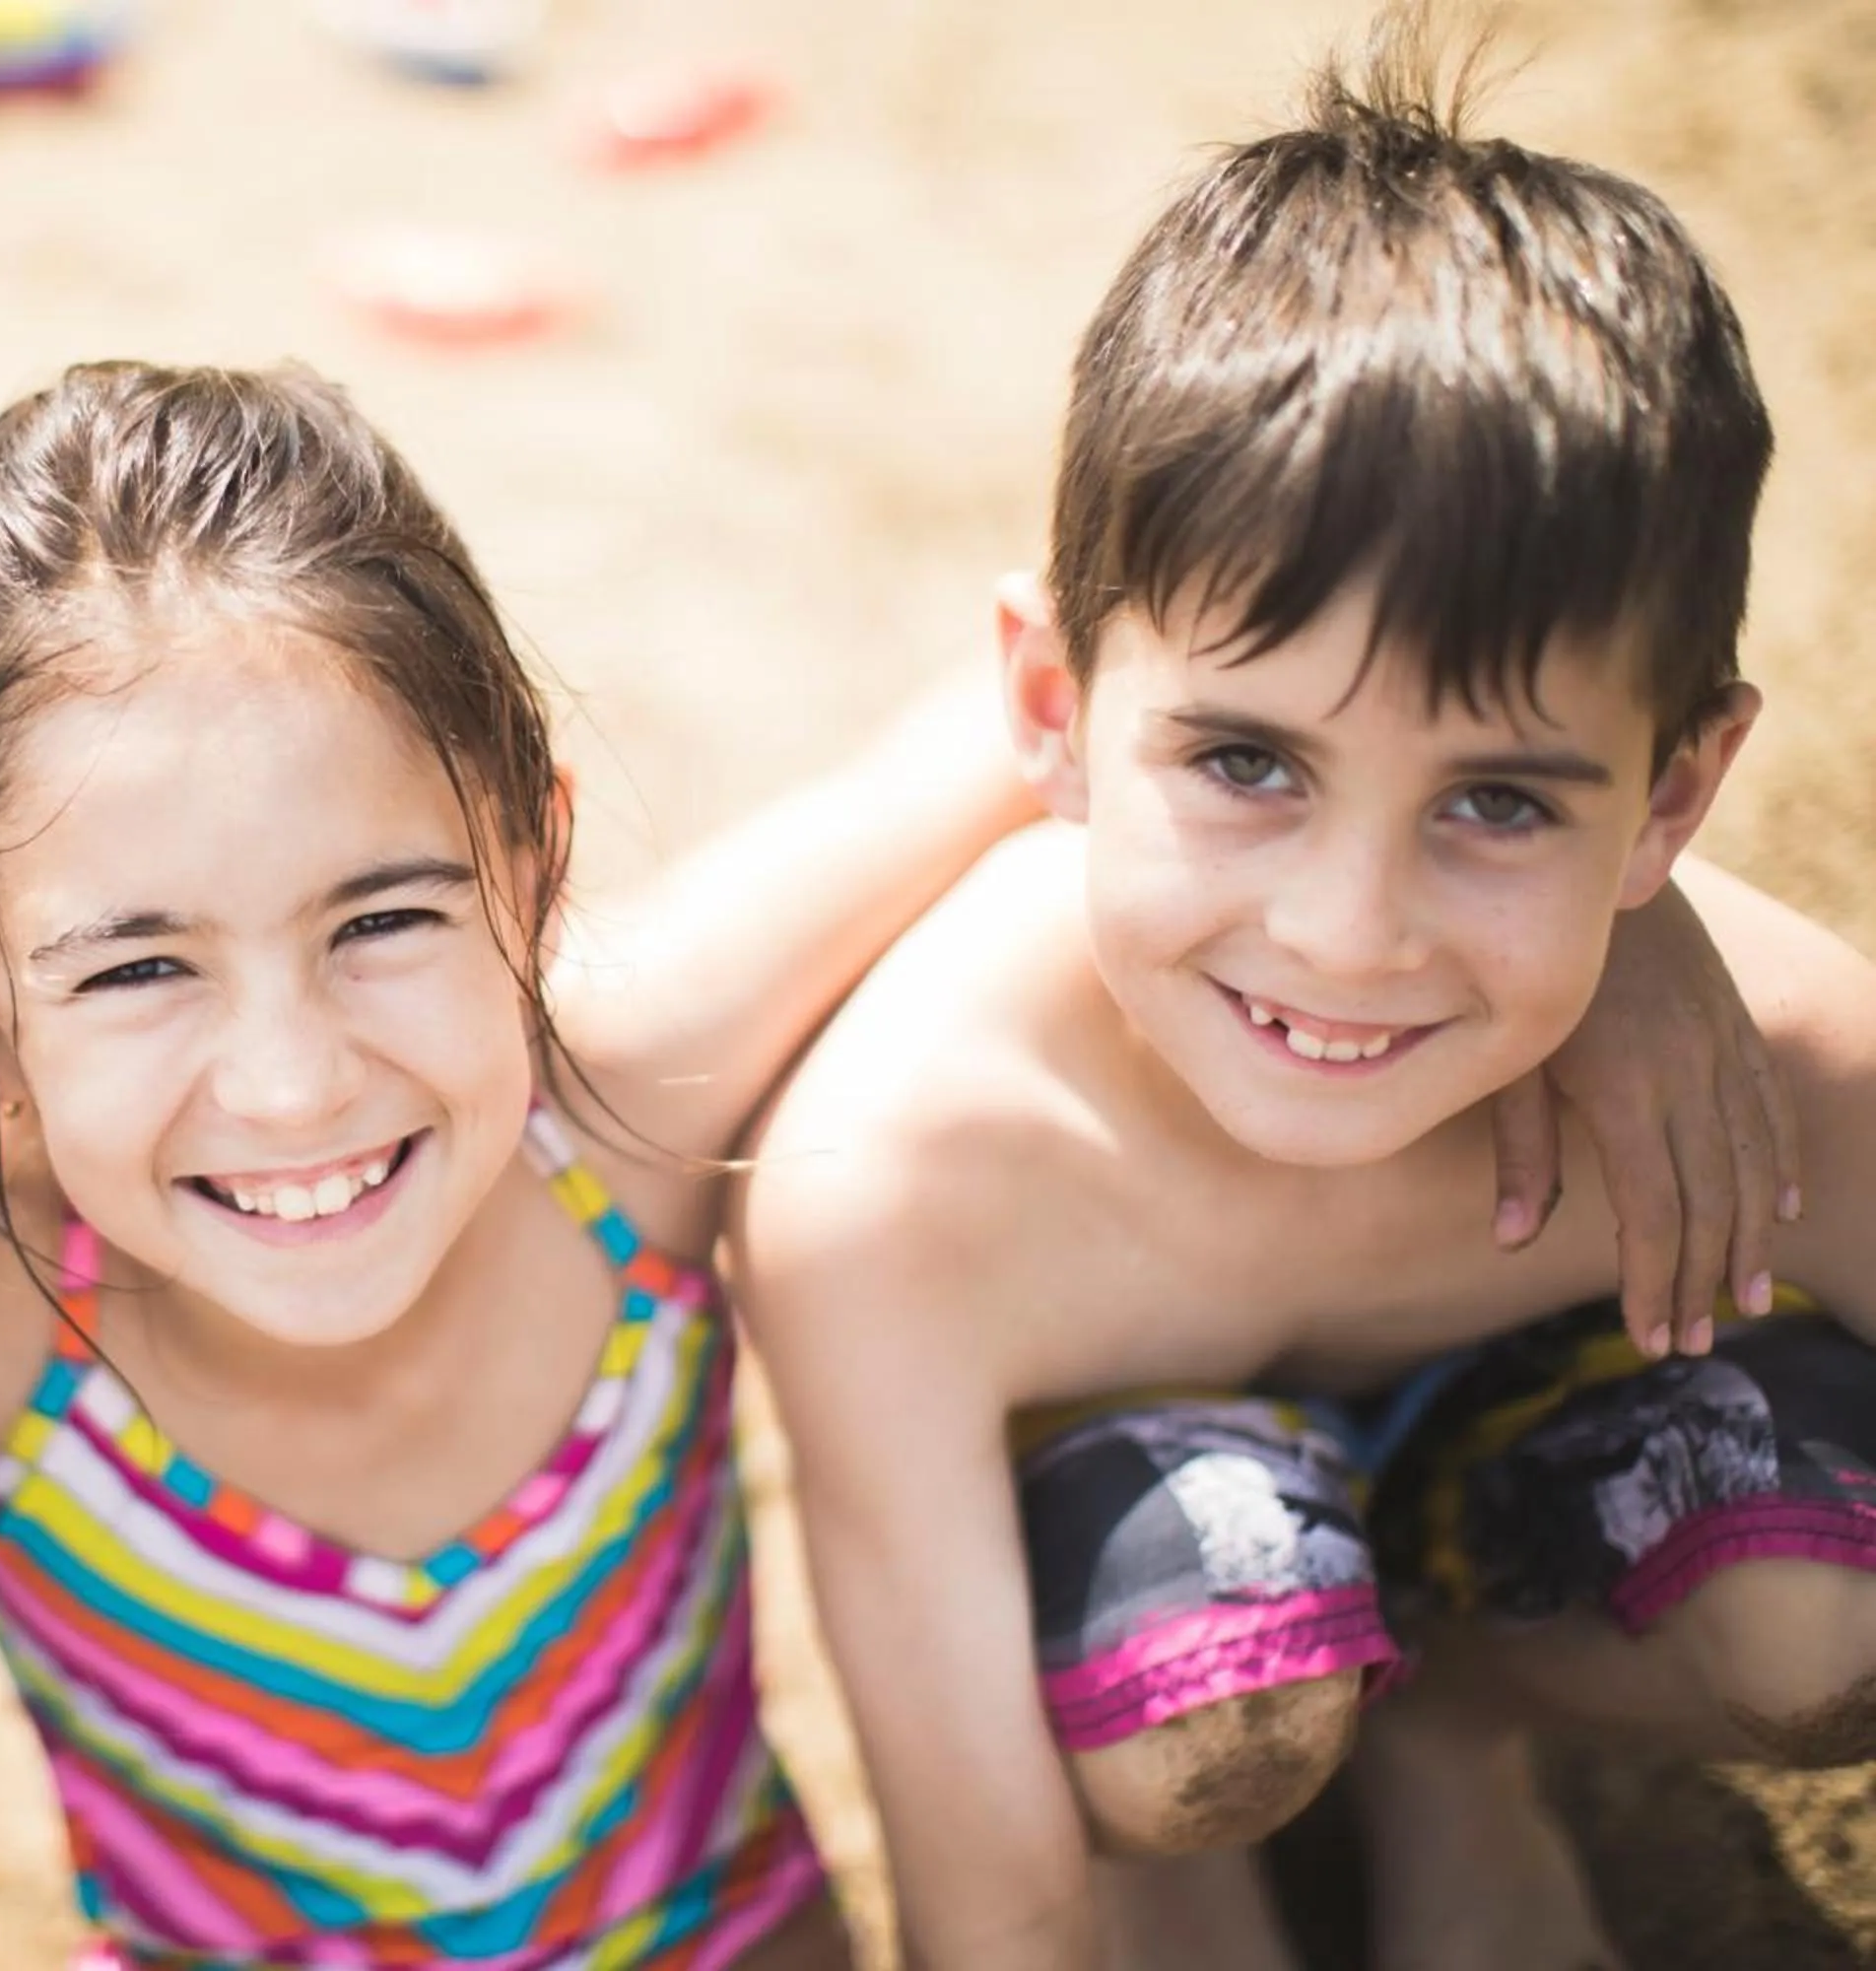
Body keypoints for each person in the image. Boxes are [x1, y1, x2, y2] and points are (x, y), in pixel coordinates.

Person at [0, 363, 1776, 1971]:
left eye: (390, 917)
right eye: (136, 967)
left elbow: (1106, 726)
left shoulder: (625, 1098)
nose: (295, 1084)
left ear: (539, 859)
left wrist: (1644, 915)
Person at [727, 20, 1869, 1971]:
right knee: (1203, 1710)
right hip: (1156, 1569)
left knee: (1820, 1618)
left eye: (1497, 801)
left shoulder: (1783, 1074)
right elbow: (990, 1908)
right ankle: (1195, 1819)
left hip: (1494, 1482)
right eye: (1249, 762)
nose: (1351, 934)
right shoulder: (897, 1180)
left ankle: (1456, 1731)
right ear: (1048, 711)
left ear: (1674, 794)